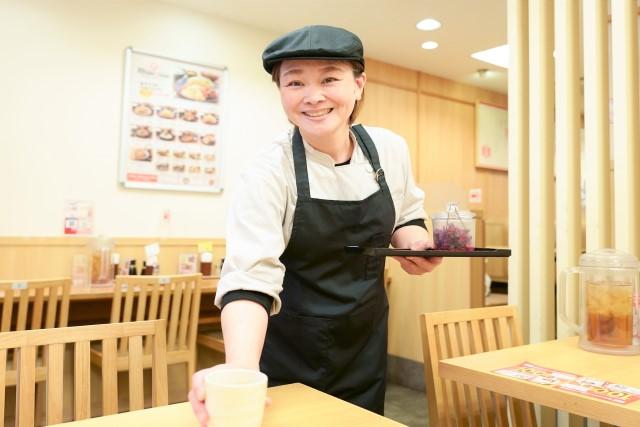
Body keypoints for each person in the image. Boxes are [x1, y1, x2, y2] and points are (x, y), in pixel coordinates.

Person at [189, 24, 442, 425]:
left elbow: (407, 212)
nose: (313, 96)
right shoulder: (268, 171)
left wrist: (415, 244)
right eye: (295, 82)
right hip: (290, 350)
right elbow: (248, 278)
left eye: (329, 78)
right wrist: (239, 367)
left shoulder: (390, 149)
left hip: (364, 342)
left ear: (359, 84)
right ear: (281, 93)